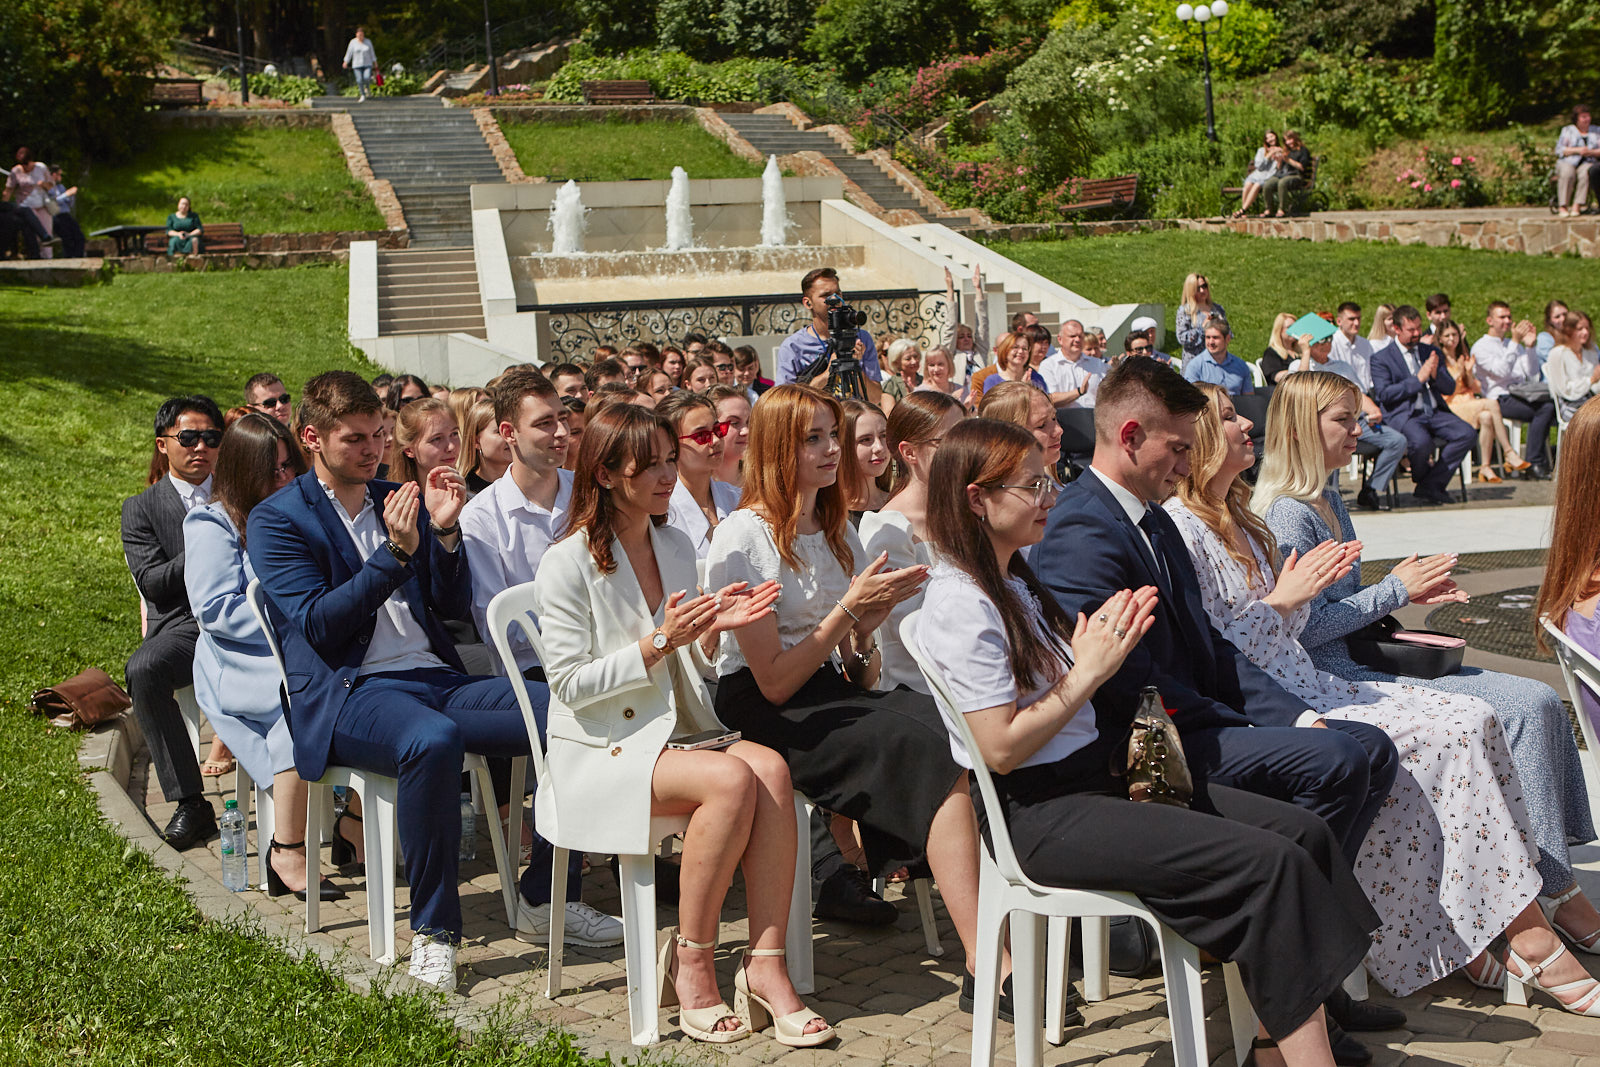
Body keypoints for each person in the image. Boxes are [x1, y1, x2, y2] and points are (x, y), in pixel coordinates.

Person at [918, 417, 1381, 1063]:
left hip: (1102, 778)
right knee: (1268, 862)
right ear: (975, 497)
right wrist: (1088, 671)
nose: (1049, 496)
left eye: (1049, 479)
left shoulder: (1015, 581)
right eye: (1032, 485)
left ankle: (1282, 1037)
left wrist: (1094, 659)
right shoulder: (961, 604)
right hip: (1047, 812)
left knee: (1300, 831)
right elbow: (999, 748)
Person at [1032, 360, 1400, 1050]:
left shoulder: (1150, 518)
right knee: (1336, 763)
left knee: (1363, 748)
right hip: (1145, 752)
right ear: (1131, 435)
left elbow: (1211, 646)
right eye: (1177, 446)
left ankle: (1292, 977)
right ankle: (1280, 978)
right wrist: (1248, 725)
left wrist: (1293, 715)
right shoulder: (1084, 530)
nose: (1186, 461)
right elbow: (1127, 686)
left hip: (1188, 721)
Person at [1171, 381, 1562, 998]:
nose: (1247, 423)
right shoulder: (1220, 523)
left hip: (1311, 678)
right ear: (1192, 441)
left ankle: (1488, 919)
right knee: (1468, 724)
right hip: (1293, 694)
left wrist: (1317, 603)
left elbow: (1291, 627)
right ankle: (1515, 927)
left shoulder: (1250, 519)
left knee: (1482, 717)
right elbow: (1228, 648)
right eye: (1227, 418)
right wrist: (1373, 593)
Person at [247, 371, 621, 989]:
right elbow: (318, 626)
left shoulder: (401, 494)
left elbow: (450, 606)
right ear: (311, 437)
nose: (371, 451)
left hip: (434, 676)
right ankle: (436, 932)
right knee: (432, 741)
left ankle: (544, 898)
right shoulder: (279, 519)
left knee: (570, 712)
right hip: (350, 693)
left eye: (377, 437)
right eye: (354, 440)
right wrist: (392, 555)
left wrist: (445, 534)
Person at [531, 404, 831, 1045]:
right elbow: (569, 686)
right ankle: (692, 960)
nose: (669, 475)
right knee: (729, 779)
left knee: (771, 768)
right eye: (652, 464)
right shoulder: (567, 561)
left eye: (673, 459)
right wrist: (659, 641)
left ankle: (766, 965)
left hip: (675, 731)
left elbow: (686, 662)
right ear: (607, 473)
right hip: (603, 747)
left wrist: (706, 633)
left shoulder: (670, 541)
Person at [703, 384, 1000, 1014]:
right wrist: (848, 612)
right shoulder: (742, 538)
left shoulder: (837, 527)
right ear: (780, 448)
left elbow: (859, 676)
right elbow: (774, 681)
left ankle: (991, 939)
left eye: (831, 435)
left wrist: (866, 631)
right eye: (813, 437)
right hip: (764, 705)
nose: (832, 449)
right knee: (921, 742)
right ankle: (985, 955)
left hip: (827, 692)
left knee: (950, 729)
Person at [184, 413, 351, 899]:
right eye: (271, 469)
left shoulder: (300, 512)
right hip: (241, 658)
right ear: (241, 470)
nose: (283, 477)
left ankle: (355, 821)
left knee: (366, 686)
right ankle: (287, 847)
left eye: (288, 466)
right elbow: (215, 611)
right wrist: (295, 611)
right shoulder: (212, 522)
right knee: (301, 704)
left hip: (308, 643)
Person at [123, 395, 226, 850]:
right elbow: (153, 582)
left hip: (249, 613)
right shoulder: (142, 508)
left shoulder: (241, 490)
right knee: (144, 670)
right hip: (186, 624)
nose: (200, 447)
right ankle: (191, 802)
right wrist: (208, 538)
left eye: (211, 437)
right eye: (188, 438)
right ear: (164, 444)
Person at [859, 391, 966, 693]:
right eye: (948, 441)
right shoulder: (889, 529)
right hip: (922, 689)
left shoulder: (966, 510)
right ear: (909, 452)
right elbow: (914, 631)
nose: (964, 450)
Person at [1368, 305, 1476, 507]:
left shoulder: (1431, 351)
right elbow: (1385, 394)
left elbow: (1449, 387)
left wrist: (1434, 375)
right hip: (1405, 414)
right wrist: (1418, 379)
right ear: (1397, 329)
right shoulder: (1381, 358)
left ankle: (1431, 484)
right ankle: (1427, 483)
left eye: (1418, 328)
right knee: (1421, 442)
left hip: (1434, 411)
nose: (1417, 334)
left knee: (1467, 433)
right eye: (1411, 330)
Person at [1437, 319, 1532, 482]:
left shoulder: (1462, 356)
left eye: (1454, 334)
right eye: (1447, 336)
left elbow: (1476, 388)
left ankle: (1485, 467)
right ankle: (1509, 452)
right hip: (1451, 405)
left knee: (1487, 417)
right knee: (1492, 403)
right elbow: (1446, 389)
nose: (1451, 339)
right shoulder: (1438, 359)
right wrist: (1458, 373)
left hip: (1470, 401)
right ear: (1440, 339)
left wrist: (1468, 373)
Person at [1472, 300, 1557, 479]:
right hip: (1498, 398)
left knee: (1549, 406)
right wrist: (1515, 342)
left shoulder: (1514, 345)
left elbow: (1532, 375)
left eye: (1509, 317)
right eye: (1502, 317)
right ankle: (1534, 463)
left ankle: (1535, 462)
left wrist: (1530, 347)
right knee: (1545, 409)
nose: (1507, 321)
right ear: (1489, 321)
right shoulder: (1481, 347)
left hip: (1521, 392)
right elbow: (1501, 372)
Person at [657, 392, 740, 560]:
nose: (716, 440)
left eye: (718, 429)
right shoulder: (662, 512)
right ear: (671, 446)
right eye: (702, 436)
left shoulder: (738, 498)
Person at [774, 267, 882, 386]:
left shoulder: (861, 338)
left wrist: (853, 367)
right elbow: (785, 401)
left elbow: (875, 397)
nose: (835, 299)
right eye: (826, 295)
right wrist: (828, 373)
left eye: (838, 293)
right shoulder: (793, 347)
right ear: (808, 303)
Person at [978, 382, 1064, 479]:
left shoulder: (1051, 484)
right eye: (1041, 425)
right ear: (1008, 438)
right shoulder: (1006, 494)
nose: (1059, 430)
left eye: (1054, 418)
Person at [4, 147, 60, 258]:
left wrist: (43, 184)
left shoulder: (41, 167)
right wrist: (5, 206)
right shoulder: (15, 171)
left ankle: (48, 259)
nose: (26, 167)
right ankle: (36, 257)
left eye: (27, 164)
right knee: (32, 234)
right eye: (23, 165)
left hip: (42, 204)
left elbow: (50, 185)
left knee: (47, 233)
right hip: (26, 206)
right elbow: (8, 190)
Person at [839, 399, 891, 517]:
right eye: (866, 439)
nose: (879, 447)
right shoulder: (824, 513)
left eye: (883, 436)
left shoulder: (899, 505)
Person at [390, 398, 459, 488]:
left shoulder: (474, 498)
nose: (451, 447)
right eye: (437, 439)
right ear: (409, 450)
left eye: (454, 434)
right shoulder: (393, 499)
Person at [1039, 320, 1106, 409]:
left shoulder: (1097, 364)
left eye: (1080, 336)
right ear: (1060, 339)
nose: (1077, 340)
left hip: (1093, 418)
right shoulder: (1048, 365)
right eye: (1072, 336)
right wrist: (1078, 392)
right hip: (1063, 420)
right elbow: (1049, 399)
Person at [1547, 312, 1600, 424]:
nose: (1585, 332)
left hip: (1591, 401)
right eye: (1580, 329)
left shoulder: (1590, 352)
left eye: (1587, 328)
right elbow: (1564, 390)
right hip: (1570, 406)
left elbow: (1595, 388)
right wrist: (1590, 380)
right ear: (1568, 331)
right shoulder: (1558, 353)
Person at [973, 329, 1048, 406]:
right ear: (1005, 350)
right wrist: (1022, 389)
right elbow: (994, 410)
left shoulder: (1037, 378)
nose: (1020, 351)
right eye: (1015, 347)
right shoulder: (992, 381)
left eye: (1025, 348)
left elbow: (1045, 406)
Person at [942, 264, 989, 386]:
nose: (967, 339)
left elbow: (983, 326)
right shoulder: (951, 354)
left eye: (969, 336)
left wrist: (978, 289)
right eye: (961, 337)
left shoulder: (979, 353)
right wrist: (950, 290)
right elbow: (950, 327)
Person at [1183, 320, 1255, 395]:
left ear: (1227, 339)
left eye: (1215, 337)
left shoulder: (1241, 366)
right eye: (1208, 337)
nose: (1211, 342)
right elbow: (1190, 398)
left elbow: (1249, 399)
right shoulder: (1195, 366)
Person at [457, 399, 512, 495]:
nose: (510, 436)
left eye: (514, 429)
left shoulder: (533, 483)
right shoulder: (462, 491)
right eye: (499, 431)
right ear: (476, 441)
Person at [1554, 105, 1599, 218]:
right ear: (1577, 119)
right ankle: (1563, 206)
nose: (1587, 119)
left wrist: (1591, 152)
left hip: (1588, 160)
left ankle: (1577, 205)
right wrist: (1578, 150)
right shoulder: (1567, 130)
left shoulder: (1597, 131)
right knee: (1567, 173)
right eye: (1583, 117)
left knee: (1586, 173)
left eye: (1588, 116)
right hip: (1569, 160)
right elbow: (1560, 149)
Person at [1175, 274, 1226, 367]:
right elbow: (1182, 338)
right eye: (1197, 288)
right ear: (1190, 290)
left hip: (1217, 362)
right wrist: (1202, 329)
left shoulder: (1218, 309)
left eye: (1204, 286)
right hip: (1194, 364)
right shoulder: (1185, 311)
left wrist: (1222, 327)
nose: (1202, 291)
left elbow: (1228, 334)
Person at [706, 384, 751, 487]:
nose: (746, 431)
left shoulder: (762, 482)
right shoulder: (698, 487)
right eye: (734, 423)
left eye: (749, 422)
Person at [1262, 130, 1311, 217]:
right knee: (1268, 184)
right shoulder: (1287, 151)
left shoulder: (1303, 150)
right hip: (1283, 174)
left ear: (1295, 139)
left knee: (1282, 183)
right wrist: (1279, 160)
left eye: (1290, 139)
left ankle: (1282, 209)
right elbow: (1279, 168)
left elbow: (1301, 167)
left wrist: (1288, 160)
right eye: (1286, 140)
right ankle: (1268, 209)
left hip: (1296, 176)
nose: (1288, 143)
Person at [1234, 129, 1282, 218]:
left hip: (1267, 177)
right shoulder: (1261, 151)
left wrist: (1278, 158)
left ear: (1275, 136)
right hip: (1256, 175)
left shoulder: (1281, 150)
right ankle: (1244, 211)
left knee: (1256, 185)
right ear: (1266, 141)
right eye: (1268, 138)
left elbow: (1278, 169)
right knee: (1247, 185)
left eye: (1272, 136)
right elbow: (1259, 166)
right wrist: (1268, 155)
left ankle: (1242, 210)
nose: (1271, 139)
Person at [42, 164, 85, 258]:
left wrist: (71, 195)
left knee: (79, 236)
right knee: (67, 237)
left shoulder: (61, 187)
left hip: (66, 214)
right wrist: (66, 194)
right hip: (56, 216)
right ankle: (69, 257)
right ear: (53, 175)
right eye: (59, 174)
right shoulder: (47, 187)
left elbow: (69, 203)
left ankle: (79, 256)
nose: (60, 177)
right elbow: (52, 201)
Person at [880, 338, 923, 408]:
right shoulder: (891, 385)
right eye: (908, 359)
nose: (914, 361)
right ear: (896, 362)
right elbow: (888, 415)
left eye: (915, 356)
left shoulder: (925, 381)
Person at [343, 26, 377, 101]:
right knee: (359, 80)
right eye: (359, 35)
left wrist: (375, 63)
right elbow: (349, 53)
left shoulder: (368, 42)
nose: (360, 37)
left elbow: (372, 53)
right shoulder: (353, 42)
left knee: (367, 77)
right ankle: (362, 94)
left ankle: (367, 88)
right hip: (357, 65)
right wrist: (346, 61)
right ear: (356, 35)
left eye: (362, 35)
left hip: (367, 64)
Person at [1538, 300, 1570, 368]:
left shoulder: (1578, 334)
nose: (1563, 319)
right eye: (1557, 317)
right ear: (1550, 321)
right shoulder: (1545, 338)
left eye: (1565, 314)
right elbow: (1556, 362)